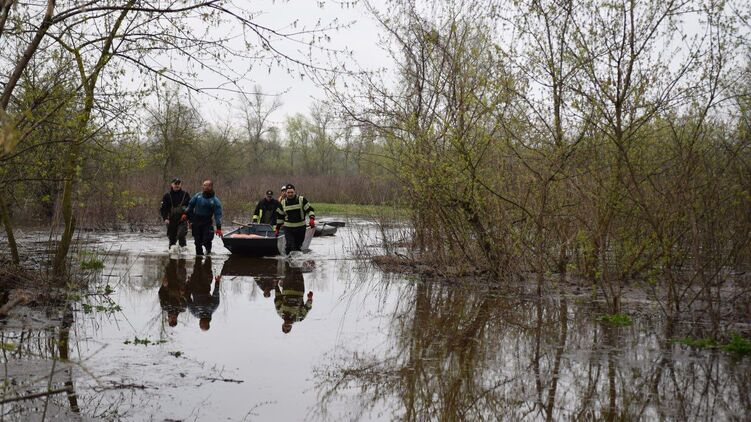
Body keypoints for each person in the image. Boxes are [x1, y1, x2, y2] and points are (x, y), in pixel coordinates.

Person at [275, 183, 315, 255]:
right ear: (286, 193)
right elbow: (280, 217)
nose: (290, 194)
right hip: (288, 228)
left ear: (295, 191)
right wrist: (277, 228)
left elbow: (310, 210)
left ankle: (297, 261)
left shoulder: (301, 200)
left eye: (292, 192)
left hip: (300, 228)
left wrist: (311, 219)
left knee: (297, 247)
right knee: (290, 246)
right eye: (288, 192)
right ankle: (288, 260)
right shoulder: (282, 203)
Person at [186, 179, 223, 256]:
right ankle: (198, 258)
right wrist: (188, 217)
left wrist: (219, 228)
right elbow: (190, 206)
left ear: (211, 187)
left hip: (207, 222)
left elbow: (218, 215)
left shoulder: (215, 200)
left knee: (206, 240)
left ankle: (208, 251)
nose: (205, 187)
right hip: (196, 221)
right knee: (197, 242)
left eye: (207, 185)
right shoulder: (198, 196)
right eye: (204, 185)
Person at [274, 264, 313, 333]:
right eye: (288, 327)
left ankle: (288, 259)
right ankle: (298, 259)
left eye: (285, 326)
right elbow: (307, 308)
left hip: (286, 288)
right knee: (298, 269)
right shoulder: (299, 317)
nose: (287, 325)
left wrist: (276, 286)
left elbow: (278, 299)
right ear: (291, 326)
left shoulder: (280, 313)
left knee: (288, 268)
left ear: (283, 324)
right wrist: (309, 299)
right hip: (299, 289)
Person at [187, 256, 221, 331]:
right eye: (203, 325)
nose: (201, 323)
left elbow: (188, 299)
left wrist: (188, 284)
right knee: (207, 266)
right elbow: (215, 295)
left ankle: (199, 253)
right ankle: (208, 253)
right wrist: (217, 283)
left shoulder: (195, 313)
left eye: (200, 325)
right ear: (208, 323)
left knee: (197, 265)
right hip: (205, 286)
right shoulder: (212, 308)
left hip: (195, 286)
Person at [159, 177, 190, 252]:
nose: (177, 185)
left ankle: (184, 253)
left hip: (182, 219)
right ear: (172, 184)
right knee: (172, 239)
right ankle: (171, 254)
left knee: (181, 235)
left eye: (178, 183)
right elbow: (163, 209)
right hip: (171, 220)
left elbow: (190, 206)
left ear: (180, 184)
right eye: (175, 183)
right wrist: (165, 218)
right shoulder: (167, 195)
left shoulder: (185, 194)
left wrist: (187, 215)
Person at [158, 258, 188, 327]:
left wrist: (164, 286)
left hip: (170, 283)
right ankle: (183, 253)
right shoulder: (182, 308)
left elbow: (161, 293)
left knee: (172, 262)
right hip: (181, 284)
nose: (173, 319)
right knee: (181, 264)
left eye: (171, 320)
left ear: (168, 319)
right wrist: (184, 292)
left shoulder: (164, 306)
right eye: (174, 320)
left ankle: (173, 252)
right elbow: (188, 296)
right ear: (176, 320)